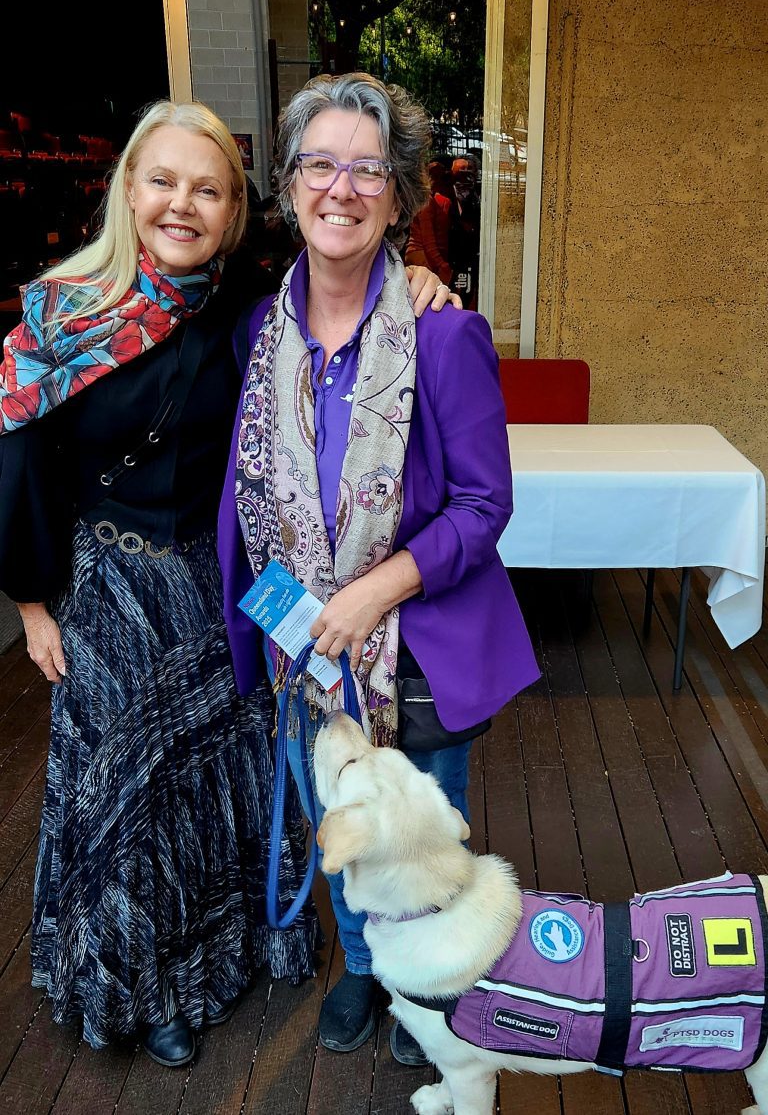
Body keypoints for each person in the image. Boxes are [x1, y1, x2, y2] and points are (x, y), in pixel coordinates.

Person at [0, 99, 455, 1067]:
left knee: (219, 779)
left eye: (207, 189)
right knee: (128, 797)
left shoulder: (245, 303)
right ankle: (144, 983)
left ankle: (232, 947)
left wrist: (417, 270)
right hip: (112, 589)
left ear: (235, 211)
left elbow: (345, 256)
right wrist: (33, 604)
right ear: (128, 189)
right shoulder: (58, 314)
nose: (182, 204)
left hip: (222, 586)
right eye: (163, 181)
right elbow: (21, 466)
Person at [217, 73, 539, 1068]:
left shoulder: (443, 333)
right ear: (289, 185)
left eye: (368, 170)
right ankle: (363, 964)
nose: (342, 188)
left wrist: (372, 592)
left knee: (418, 830)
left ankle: (430, 983)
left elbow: (485, 504)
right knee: (339, 820)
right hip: (298, 642)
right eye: (320, 164)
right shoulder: (257, 333)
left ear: (398, 196)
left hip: (415, 652)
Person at [404, 159, 452, 285]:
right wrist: (441, 264)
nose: (441, 182)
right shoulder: (427, 201)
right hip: (421, 255)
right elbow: (428, 239)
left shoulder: (425, 199)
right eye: (438, 177)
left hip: (419, 254)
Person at [449, 154, 481, 309]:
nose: (463, 176)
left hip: (471, 251)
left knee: (468, 291)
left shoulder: (476, 194)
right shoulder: (445, 192)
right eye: (459, 171)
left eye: (468, 171)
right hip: (452, 253)